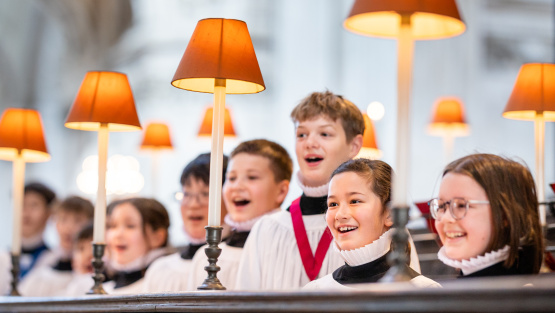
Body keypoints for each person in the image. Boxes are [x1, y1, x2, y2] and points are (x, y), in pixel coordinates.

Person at [236, 91, 420, 290]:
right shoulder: (267, 229)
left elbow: (408, 293)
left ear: (354, 145)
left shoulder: (381, 228)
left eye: (325, 134)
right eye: (301, 134)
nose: (310, 143)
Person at [304, 159, 439, 289]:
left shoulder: (425, 291)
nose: (340, 214)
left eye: (355, 201)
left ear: (390, 213)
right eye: (333, 204)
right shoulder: (314, 291)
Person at [188, 139, 292, 290]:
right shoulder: (203, 258)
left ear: (281, 191)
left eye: (252, 177)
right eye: (231, 178)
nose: (237, 186)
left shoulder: (289, 251)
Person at [432, 153, 544, 277]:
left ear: (505, 215)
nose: (446, 218)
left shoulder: (520, 293)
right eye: (442, 206)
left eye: (462, 205)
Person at [142, 153, 229, 293]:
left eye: (206, 194)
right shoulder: (161, 269)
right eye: (187, 194)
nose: (193, 205)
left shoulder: (235, 261)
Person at [19, 196, 94, 296]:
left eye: (77, 221)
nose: (69, 227)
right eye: (63, 219)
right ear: (56, 224)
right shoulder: (44, 264)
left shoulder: (90, 268)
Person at [104, 197, 170, 294]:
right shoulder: (104, 288)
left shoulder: (163, 285)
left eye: (130, 226)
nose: (117, 234)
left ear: (157, 237)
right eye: (113, 225)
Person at [19, 182, 56, 278]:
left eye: (34, 205)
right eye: (22, 205)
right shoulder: (4, 259)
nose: (26, 213)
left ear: (48, 213)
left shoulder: (54, 260)